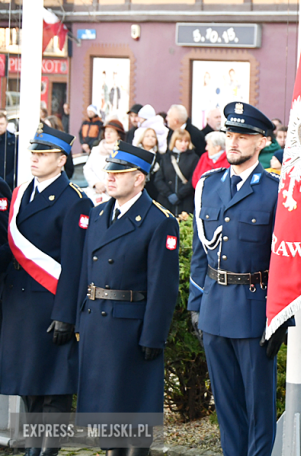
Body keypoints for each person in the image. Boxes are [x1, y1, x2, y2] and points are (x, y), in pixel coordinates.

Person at [188, 102, 289, 456]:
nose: (233, 142)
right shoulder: (209, 185)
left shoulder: (274, 190)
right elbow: (201, 252)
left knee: (258, 405)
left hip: (254, 309)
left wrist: (279, 317)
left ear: (262, 142)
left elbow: (284, 260)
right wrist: (196, 303)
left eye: (243, 136)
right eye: (230, 134)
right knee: (227, 405)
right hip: (215, 307)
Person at [75, 141, 179, 456]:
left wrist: (153, 335)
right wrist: (80, 316)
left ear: (139, 178)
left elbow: (163, 286)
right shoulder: (97, 213)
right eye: (110, 171)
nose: (111, 177)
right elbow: (85, 271)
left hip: (130, 327)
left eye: (120, 173)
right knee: (105, 414)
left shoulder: (159, 221)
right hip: (97, 321)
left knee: (134, 414)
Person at [0, 125, 93, 456]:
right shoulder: (22, 192)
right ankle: (32, 450)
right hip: (19, 304)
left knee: (52, 388)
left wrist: (66, 315)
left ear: (61, 159)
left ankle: (46, 451)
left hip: (50, 305)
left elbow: (74, 265)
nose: (34, 159)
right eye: (33, 153)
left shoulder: (74, 201)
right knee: (28, 384)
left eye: (42, 154)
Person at [154, 129, 199, 215]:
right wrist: (168, 194)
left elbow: (193, 180)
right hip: (166, 201)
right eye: (180, 141)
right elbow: (158, 179)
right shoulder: (166, 157)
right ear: (174, 141)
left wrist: (179, 195)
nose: (183, 144)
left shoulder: (193, 158)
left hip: (185, 201)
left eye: (186, 141)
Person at [84, 120, 126, 205]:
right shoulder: (96, 150)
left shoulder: (122, 153)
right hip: (95, 193)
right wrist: (96, 183)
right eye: (106, 131)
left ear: (118, 135)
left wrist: (105, 185)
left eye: (111, 131)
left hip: (112, 195)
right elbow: (87, 169)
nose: (108, 134)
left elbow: (121, 174)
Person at [134, 127, 163, 202]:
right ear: (142, 139)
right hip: (137, 190)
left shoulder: (161, 157)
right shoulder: (136, 155)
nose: (150, 138)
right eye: (147, 136)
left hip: (154, 192)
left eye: (153, 136)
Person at [0, 111, 18, 187]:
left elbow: (17, 164)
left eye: (1, 124)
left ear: (7, 125)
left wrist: (6, 181)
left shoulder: (13, 141)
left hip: (8, 184)